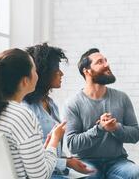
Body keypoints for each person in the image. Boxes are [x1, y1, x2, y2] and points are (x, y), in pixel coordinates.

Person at [65, 48, 139, 179]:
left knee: (137, 174)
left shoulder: (122, 98)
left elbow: (135, 135)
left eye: (106, 61)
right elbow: (72, 145)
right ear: (87, 71)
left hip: (117, 161)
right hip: (86, 161)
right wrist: (99, 129)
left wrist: (116, 128)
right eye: (99, 62)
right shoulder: (73, 103)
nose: (106, 64)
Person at [23, 43, 94, 178]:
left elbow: (53, 149)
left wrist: (68, 160)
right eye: (57, 69)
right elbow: (33, 160)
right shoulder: (27, 109)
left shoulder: (51, 104)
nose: (61, 73)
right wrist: (66, 163)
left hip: (54, 171)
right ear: (44, 73)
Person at [0, 48, 66, 179]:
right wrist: (54, 141)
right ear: (25, 81)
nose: (37, 75)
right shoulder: (22, 115)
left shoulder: (1, 110)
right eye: (34, 71)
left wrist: (45, 150)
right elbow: (41, 176)